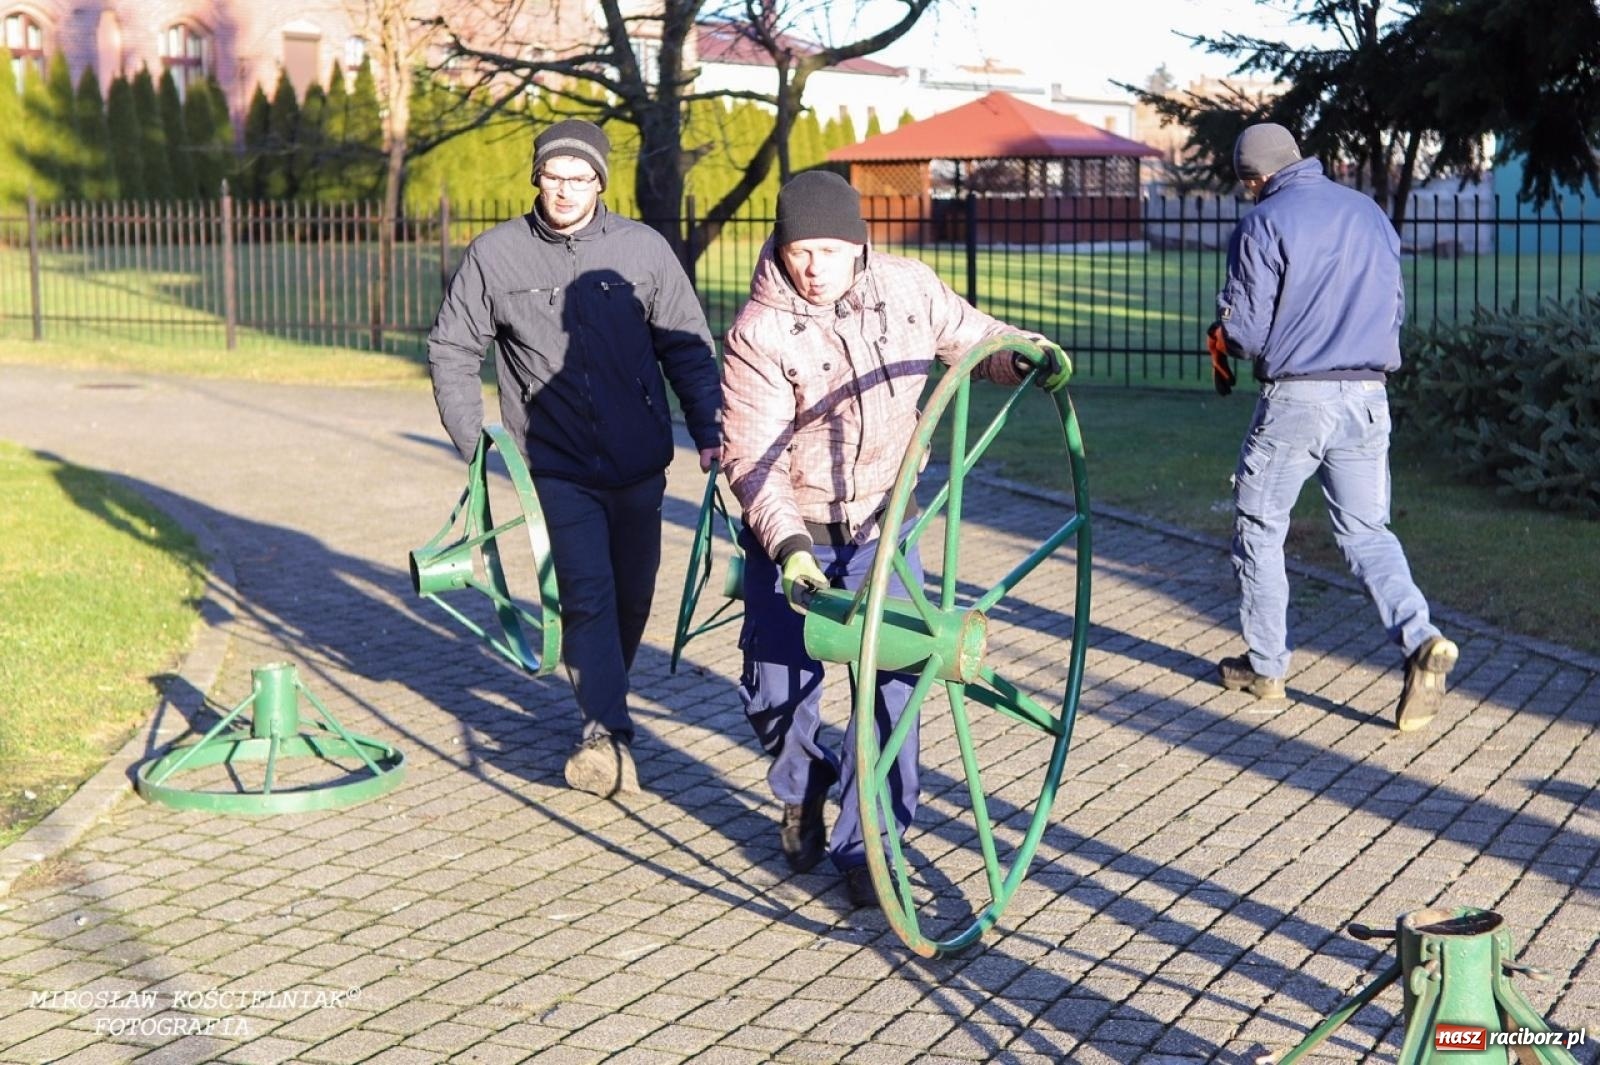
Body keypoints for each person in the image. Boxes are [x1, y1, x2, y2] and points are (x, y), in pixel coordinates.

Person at [719, 170, 1069, 907]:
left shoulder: (909, 289)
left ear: (859, 244)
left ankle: (868, 843)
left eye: (827, 249)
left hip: (884, 523)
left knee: (894, 687)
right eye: (797, 250)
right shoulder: (759, 332)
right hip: (796, 534)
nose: (810, 267)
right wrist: (789, 547)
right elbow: (753, 459)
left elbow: (977, 341)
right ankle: (805, 778)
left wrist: (1027, 353)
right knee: (775, 696)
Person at [427, 118, 722, 795]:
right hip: (555, 464)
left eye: (578, 177)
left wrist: (708, 426)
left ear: (598, 182)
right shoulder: (494, 255)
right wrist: (476, 445)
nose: (564, 190)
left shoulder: (642, 250)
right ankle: (605, 731)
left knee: (634, 594)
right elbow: (452, 349)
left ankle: (603, 701)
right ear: (538, 178)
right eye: (553, 176)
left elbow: (687, 345)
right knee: (585, 594)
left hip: (640, 459)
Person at [1210, 122, 1458, 731]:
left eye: (1247, 182)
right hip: (1369, 395)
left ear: (1256, 177)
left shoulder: (1264, 221)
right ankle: (1420, 639)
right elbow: (1394, 304)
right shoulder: (1368, 211)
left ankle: (1266, 669)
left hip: (1298, 398)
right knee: (1367, 532)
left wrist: (1223, 333)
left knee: (1261, 526)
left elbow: (1244, 332)